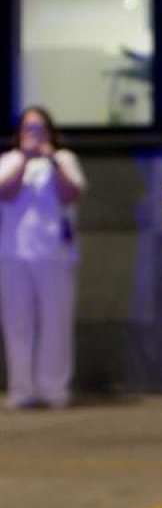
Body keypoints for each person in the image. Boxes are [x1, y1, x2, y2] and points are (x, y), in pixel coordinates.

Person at [0, 106, 86, 410]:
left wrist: (51, 160)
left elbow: (71, 194)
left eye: (40, 129)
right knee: (17, 325)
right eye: (28, 128)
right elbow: (5, 192)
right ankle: (22, 389)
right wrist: (25, 159)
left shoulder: (64, 159)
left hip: (55, 254)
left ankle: (54, 388)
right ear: (19, 133)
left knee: (56, 323)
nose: (34, 135)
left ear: (50, 132)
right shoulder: (9, 160)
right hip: (14, 253)